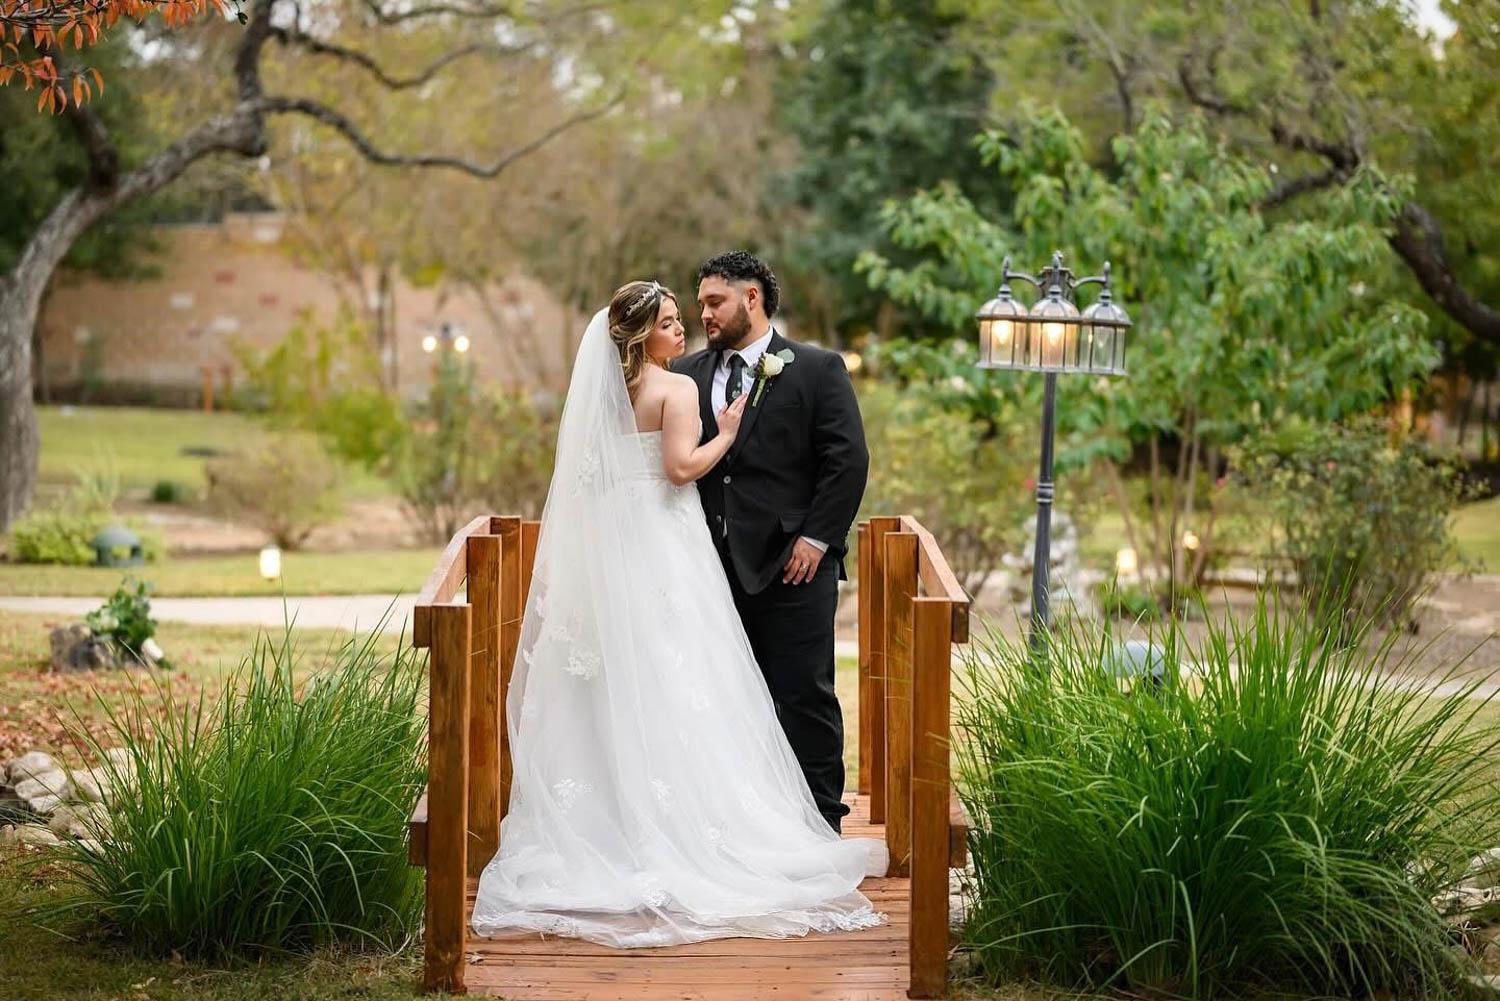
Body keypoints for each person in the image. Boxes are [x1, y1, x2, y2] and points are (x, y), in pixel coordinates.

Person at [469, 279, 885, 950]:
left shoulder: (605, 392)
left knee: (618, 682)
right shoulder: (680, 384)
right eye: (670, 320)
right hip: (669, 547)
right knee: (686, 676)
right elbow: (680, 468)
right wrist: (728, 434)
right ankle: (690, 826)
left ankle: (612, 826)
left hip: (614, 551)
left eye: (693, 311)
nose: (686, 325)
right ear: (645, 334)